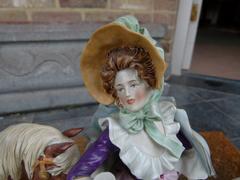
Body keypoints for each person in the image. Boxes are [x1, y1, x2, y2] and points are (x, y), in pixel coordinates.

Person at [67, 15, 216, 180]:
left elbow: (187, 146)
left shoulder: (167, 119)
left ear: (148, 83)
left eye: (133, 84)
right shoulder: (116, 131)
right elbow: (84, 167)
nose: (128, 94)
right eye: (120, 88)